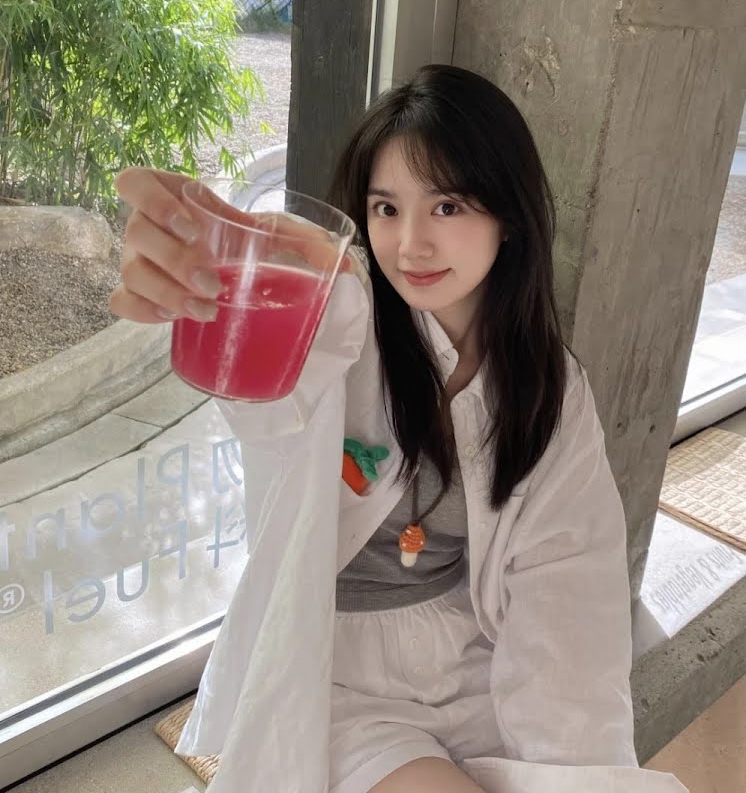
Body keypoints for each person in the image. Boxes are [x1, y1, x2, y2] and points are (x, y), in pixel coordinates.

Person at [110, 66, 642, 793]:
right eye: (386, 208)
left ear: (510, 215)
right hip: (338, 674)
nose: (411, 244)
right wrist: (198, 274)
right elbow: (273, 388)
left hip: (471, 659)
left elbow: (570, 596)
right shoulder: (344, 321)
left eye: (447, 206)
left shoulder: (548, 389)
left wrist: (577, 773)